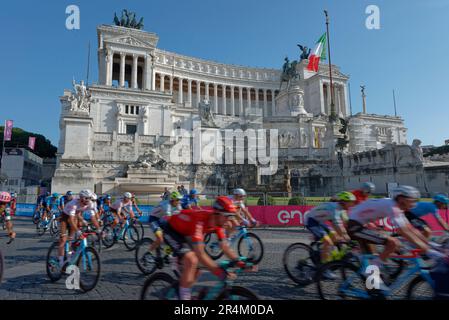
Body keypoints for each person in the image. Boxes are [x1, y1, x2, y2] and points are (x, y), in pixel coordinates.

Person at [161, 196, 246, 300]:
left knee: (198, 269)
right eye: (227, 216)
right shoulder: (200, 219)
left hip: (186, 233)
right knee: (192, 259)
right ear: (217, 213)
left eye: (231, 216)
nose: (229, 220)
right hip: (172, 230)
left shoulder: (219, 224)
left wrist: (238, 261)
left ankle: (184, 288)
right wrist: (220, 273)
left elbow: (224, 246)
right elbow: (200, 254)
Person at [347, 186, 442, 273]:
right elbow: (403, 231)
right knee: (393, 242)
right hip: (355, 226)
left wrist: (430, 244)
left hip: (363, 224)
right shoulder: (392, 207)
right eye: (412, 200)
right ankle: (371, 269)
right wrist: (428, 251)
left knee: (374, 254)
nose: (414, 204)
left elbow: (409, 228)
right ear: (401, 199)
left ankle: (370, 273)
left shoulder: (396, 206)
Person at [304, 191, 356, 264]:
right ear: (343, 202)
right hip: (311, 220)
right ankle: (324, 267)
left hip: (319, 221)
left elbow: (340, 225)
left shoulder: (340, 209)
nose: (351, 205)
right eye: (350, 202)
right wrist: (348, 239)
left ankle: (328, 254)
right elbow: (339, 227)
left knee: (335, 236)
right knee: (328, 242)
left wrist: (346, 236)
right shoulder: (334, 209)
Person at [58, 189, 95, 268]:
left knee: (71, 239)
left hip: (74, 217)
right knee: (63, 240)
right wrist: (78, 231)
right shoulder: (73, 204)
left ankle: (69, 255)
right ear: (81, 198)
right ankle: (60, 261)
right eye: (86, 198)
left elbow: (92, 216)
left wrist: (97, 227)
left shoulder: (90, 204)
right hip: (65, 218)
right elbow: (70, 220)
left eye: (89, 198)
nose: (88, 200)